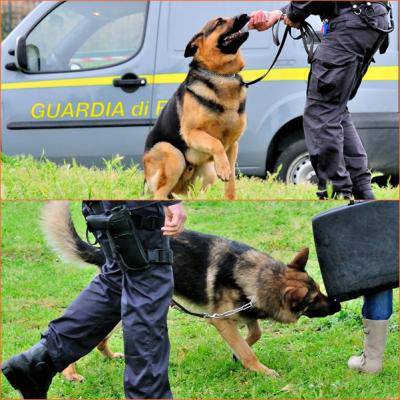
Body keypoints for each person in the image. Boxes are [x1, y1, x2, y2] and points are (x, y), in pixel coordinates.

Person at [2, 201, 186, 399]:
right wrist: (170, 199)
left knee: (117, 280)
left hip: (103, 204)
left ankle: (38, 363)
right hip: (137, 206)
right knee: (146, 283)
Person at [249, 2, 393, 200]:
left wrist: (294, 13)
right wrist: (279, 13)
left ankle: (338, 193)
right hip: (370, 20)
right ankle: (361, 190)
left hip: (351, 22)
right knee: (335, 109)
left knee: (321, 112)